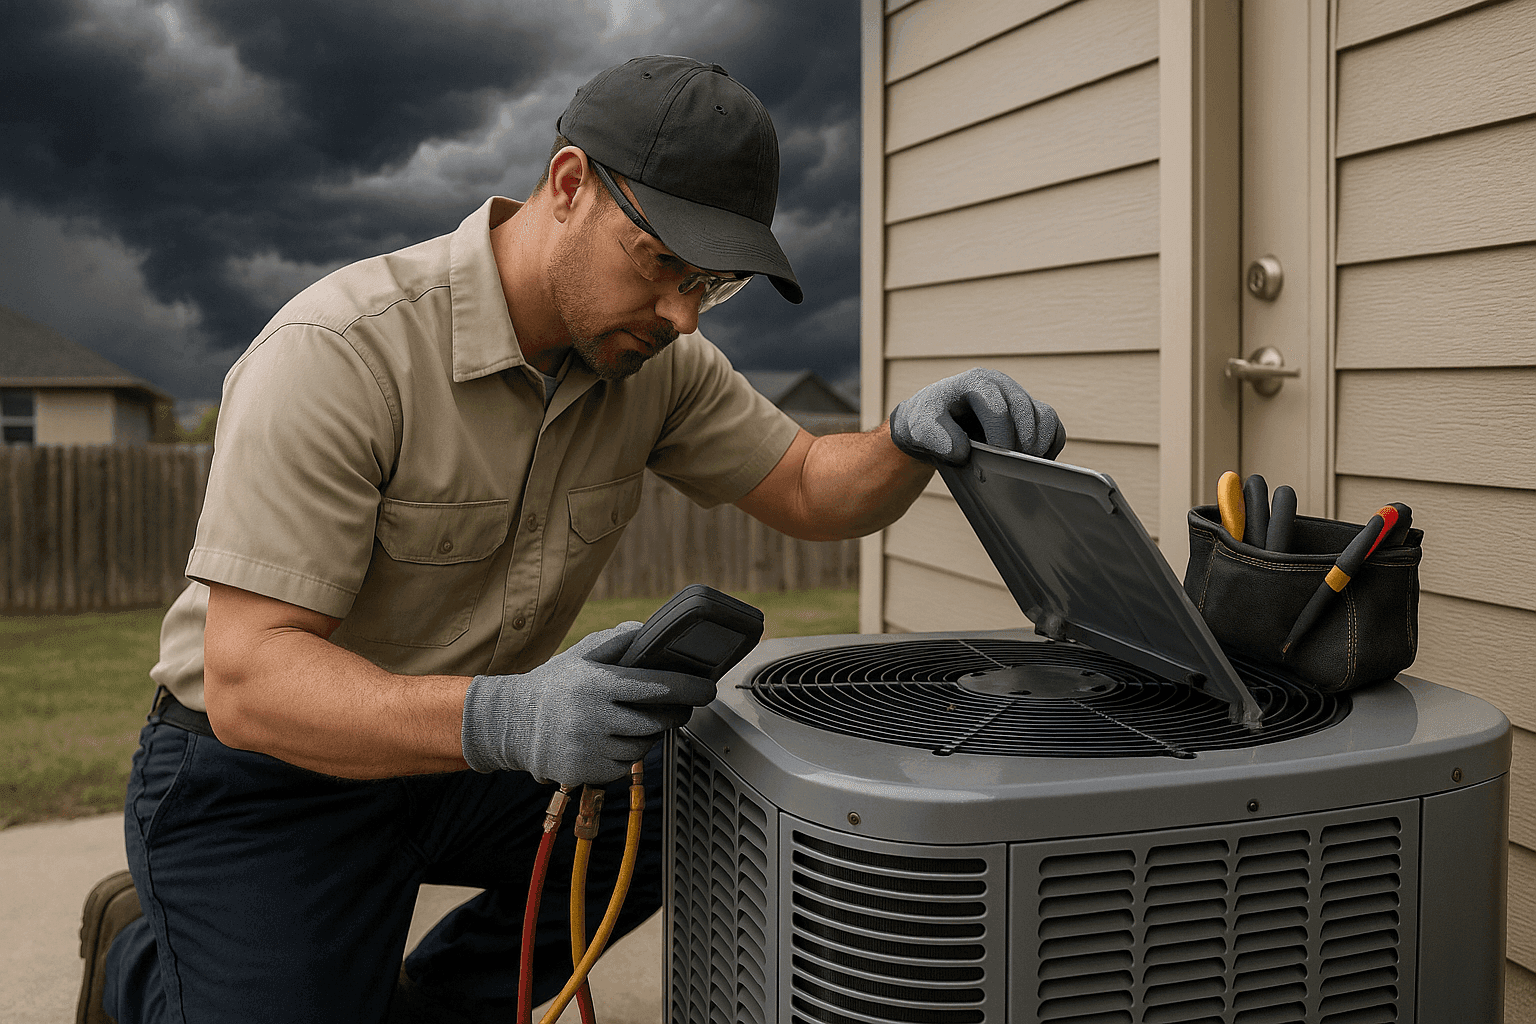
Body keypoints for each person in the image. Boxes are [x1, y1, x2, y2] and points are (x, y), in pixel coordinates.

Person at [76, 55, 1065, 1024]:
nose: (683, 313)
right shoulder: (342, 353)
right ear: (567, 185)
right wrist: (510, 718)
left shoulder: (655, 365)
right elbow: (250, 677)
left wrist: (905, 436)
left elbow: (810, 486)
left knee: (695, 792)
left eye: (712, 283)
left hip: (460, 753)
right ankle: (137, 957)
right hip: (263, 769)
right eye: (664, 262)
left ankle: (439, 1000)